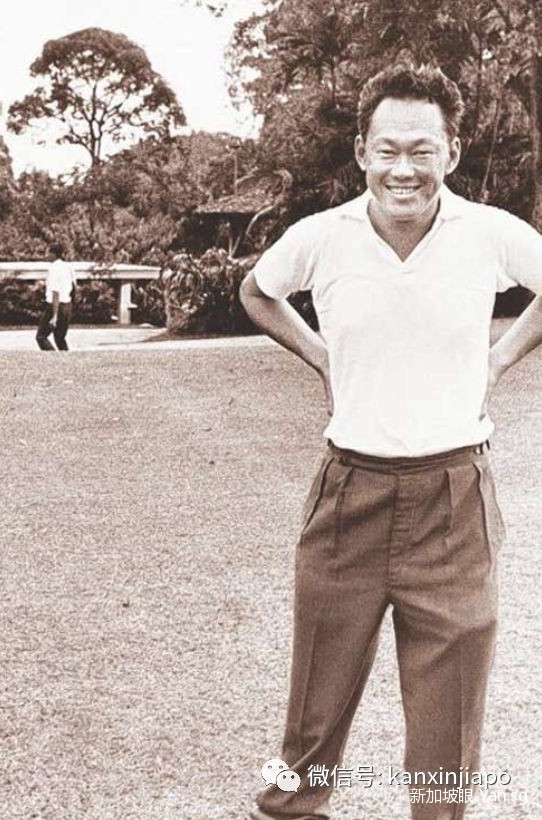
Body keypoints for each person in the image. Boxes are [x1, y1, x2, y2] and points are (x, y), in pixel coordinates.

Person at [240, 63, 542, 820]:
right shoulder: (322, 236)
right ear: (361, 152)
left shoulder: (490, 233)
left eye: (422, 150)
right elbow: (257, 290)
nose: (403, 169)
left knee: (449, 719)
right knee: (313, 713)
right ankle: (291, 807)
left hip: (454, 499)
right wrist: (320, 357)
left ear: (452, 152)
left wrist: (499, 359)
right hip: (349, 494)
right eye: (387, 150)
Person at [36, 242, 77, 351]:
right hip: (67, 305)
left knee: (41, 336)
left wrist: (54, 316)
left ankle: (53, 357)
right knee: (60, 338)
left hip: (56, 306)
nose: (46, 255)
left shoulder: (54, 268)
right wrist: (71, 306)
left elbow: (55, 293)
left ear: (53, 254)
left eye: (48, 252)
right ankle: (65, 358)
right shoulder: (69, 267)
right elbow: (74, 288)